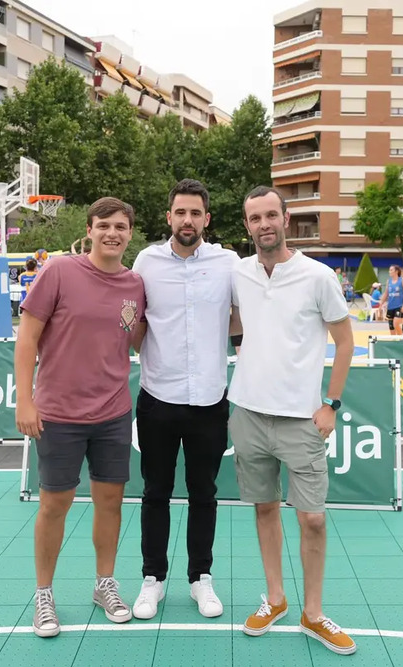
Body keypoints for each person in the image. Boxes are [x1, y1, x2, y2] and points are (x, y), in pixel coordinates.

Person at [230, 186, 357, 655]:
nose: (263, 224)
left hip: (302, 421)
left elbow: (345, 342)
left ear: (286, 217)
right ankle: (277, 600)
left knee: (313, 520)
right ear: (247, 225)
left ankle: (314, 613)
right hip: (248, 413)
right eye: (254, 218)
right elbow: (229, 322)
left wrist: (332, 404)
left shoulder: (318, 276)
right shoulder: (238, 272)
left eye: (270, 215)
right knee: (264, 508)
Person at [15, 197, 146, 636]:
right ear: (89, 229)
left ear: (131, 233)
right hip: (59, 415)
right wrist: (25, 401)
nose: (113, 233)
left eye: (121, 226)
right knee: (55, 504)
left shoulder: (135, 285)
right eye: (104, 225)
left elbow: (137, 341)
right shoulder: (59, 272)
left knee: (110, 503)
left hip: (112, 414)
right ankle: (44, 596)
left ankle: (104, 584)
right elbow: (27, 339)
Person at [129, 179, 238, 621]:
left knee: (204, 494)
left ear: (206, 219)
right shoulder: (146, 261)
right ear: (168, 216)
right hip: (157, 397)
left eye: (196, 213)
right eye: (180, 212)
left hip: (210, 400)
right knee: (155, 493)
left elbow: (245, 318)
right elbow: (132, 324)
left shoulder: (230, 263)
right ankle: (152, 580)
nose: (187, 220)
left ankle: (200, 580)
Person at [385, 265, 403, 336]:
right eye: (389, 270)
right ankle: (393, 341)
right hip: (390, 306)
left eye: (391, 270)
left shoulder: (402, 281)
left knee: (395, 323)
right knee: (391, 326)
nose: (389, 271)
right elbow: (386, 293)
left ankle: (400, 339)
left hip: (399, 305)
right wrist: (381, 303)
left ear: (396, 271)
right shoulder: (388, 281)